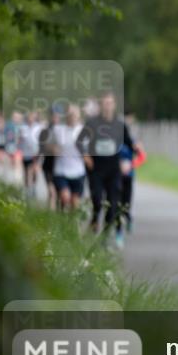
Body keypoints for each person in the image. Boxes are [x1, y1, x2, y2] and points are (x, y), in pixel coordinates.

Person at [77, 92, 135, 250]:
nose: (107, 106)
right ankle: (94, 222)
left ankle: (105, 237)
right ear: (101, 105)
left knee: (113, 205)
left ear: (114, 105)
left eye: (110, 103)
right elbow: (80, 141)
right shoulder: (92, 123)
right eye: (105, 103)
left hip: (114, 171)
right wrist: (86, 156)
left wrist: (130, 159)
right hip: (96, 169)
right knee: (97, 201)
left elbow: (130, 144)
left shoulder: (119, 125)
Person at [52, 105, 86, 211]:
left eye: (74, 114)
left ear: (79, 116)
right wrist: (53, 149)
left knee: (74, 204)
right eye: (70, 114)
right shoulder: (58, 130)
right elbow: (48, 145)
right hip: (61, 170)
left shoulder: (83, 130)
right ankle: (61, 212)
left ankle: (69, 220)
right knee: (65, 197)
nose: (72, 117)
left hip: (78, 171)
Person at [38, 107, 62, 210]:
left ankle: (59, 214)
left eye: (57, 115)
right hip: (48, 165)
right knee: (52, 192)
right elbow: (41, 148)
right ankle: (50, 214)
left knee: (59, 194)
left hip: (61, 167)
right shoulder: (45, 131)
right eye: (53, 115)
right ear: (50, 116)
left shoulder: (63, 130)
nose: (55, 117)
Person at [18, 110, 44, 198]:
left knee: (34, 170)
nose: (30, 118)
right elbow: (19, 140)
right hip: (25, 153)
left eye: (32, 117)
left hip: (35, 153)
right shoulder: (23, 127)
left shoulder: (38, 127)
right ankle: (27, 189)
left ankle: (33, 187)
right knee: (26, 171)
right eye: (29, 117)